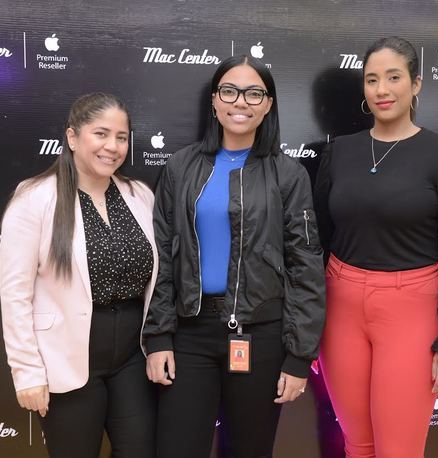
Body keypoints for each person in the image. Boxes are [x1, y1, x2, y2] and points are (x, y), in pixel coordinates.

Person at [143, 55, 326, 458]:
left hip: (260, 334)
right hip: (189, 334)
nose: (240, 102)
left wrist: (299, 356)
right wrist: (157, 337)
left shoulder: (289, 175)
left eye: (253, 93)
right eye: (230, 91)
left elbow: (305, 265)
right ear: (214, 100)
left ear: (268, 104)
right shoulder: (180, 167)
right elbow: (162, 256)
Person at [315, 37, 438, 458]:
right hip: (341, 307)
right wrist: (307, 327)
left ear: (417, 84)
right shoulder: (339, 153)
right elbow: (316, 240)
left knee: (398, 451)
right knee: (358, 445)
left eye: (393, 77)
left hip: (412, 309)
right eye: (372, 80)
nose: (382, 89)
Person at [0, 93, 158, 457]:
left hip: (133, 358)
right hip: (65, 360)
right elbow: (14, 295)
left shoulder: (140, 196)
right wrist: (27, 373)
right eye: (100, 134)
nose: (112, 146)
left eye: (121, 137)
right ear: (72, 138)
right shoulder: (34, 199)